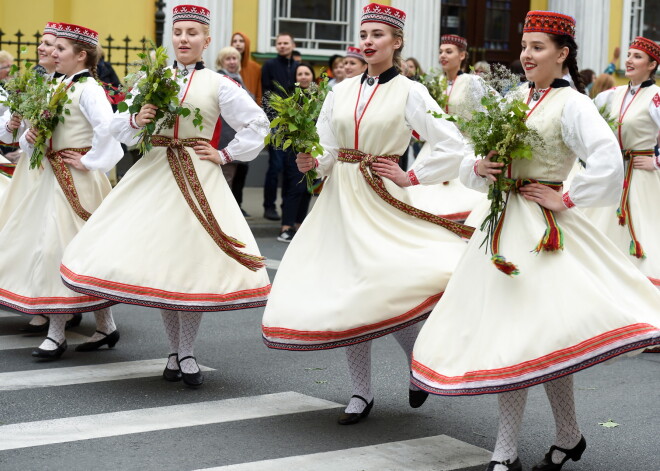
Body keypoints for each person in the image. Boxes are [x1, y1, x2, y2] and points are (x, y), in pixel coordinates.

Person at [411, 11, 660, 471]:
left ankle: (506, 452)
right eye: (524, 46)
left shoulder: (575, 105)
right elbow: (472, 154)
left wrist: (564, 195)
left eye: (538, 47)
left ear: (562, 54)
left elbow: (607, 162)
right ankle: (568, 435)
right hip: (499, 223)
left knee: (526, 336)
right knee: (534, 338)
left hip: (540, 230)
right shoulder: (515, 97)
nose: (526, 54)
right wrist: (479, 168)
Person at [262, 3, 470, 424]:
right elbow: (327, 143)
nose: (370, 41)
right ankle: (361, 393)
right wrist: (313, 161)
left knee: (386, 287)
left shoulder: (410, 91)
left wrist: (411, 175)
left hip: (382, 198)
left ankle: (416, 364)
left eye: (379, 35)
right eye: (366, 34)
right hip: (340, 199)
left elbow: (451, 144)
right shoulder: (341, 89)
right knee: (348, 292)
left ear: (396, 42)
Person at [60, 5, 270, 388]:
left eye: (193, 32)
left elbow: (258, 123)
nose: (184, 39)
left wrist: (224, 154)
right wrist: (136, 120)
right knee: (164, 266)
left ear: (207, 40)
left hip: (196, 176)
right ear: (171, 38)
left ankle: (185, 351)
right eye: (178, 32)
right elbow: (116, 126)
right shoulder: (151, 80)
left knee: (187, 266)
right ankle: (175, 351)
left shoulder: (220, 84)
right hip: (155, 173)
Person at [0, 22, 123, 360]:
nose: (52, 53)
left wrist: (89, 159)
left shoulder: (89, 89)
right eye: (53, 48)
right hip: (48, 178)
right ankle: (106, 325)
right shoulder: (57, 85)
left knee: (65, 251)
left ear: (81, 55)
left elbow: (108, 130)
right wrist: (28, 138)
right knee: (60, 250)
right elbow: (30, 135)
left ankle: (57, 334)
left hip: (75, 183)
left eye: (61, 49)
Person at [586, 37, 660, 289]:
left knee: (642, 228)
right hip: (616, 172)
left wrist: (657, 161)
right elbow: (586, 120)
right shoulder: (612, 95)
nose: (629, 60)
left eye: (637, 56)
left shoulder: (656, 96)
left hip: (642, 176)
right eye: (628, 55)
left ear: (652, 64)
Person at [407, 34, 487, 221]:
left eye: (449, 52)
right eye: (441, 52)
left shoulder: (472, 82)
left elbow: (484, 113)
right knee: (423, 198)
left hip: (465, 144)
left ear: (462, 55)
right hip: (436, 145)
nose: (443, 55)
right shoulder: (436, 84)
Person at [276, 62, 315, 243]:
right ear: (295, 77)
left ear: (312, 76)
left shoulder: (319, 97)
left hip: (314, 149)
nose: (304, 77)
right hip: (294, 151)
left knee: (307, 188)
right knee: (294, 187)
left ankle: (299, 224)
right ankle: (286, 227)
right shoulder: (289, 98)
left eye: (307, 73)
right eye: (300, 74)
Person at [262, 32, 299, 221]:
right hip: (275, 122)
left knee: (289, 166)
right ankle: (269, 206)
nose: (283, 46)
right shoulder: (269, 65)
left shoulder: (298, 66)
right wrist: (270, 122)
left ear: (292, 45)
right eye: (279, 43)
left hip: (293, 124)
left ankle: (286, 205)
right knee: (275, 166)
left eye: (286, 43)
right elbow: (266, 94)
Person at [216, 46, 254, 195]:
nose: (232, 62)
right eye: (228, 58)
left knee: (232, 181)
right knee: (225, 182)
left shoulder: (237, 77)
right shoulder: (223, 79)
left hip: (235, 137)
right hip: (225, 138)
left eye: (235, 58)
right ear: (221, 61)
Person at [230, 31, 262, 106]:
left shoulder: (255, 67)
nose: (238, 44)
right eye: (234, 41)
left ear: (246, 44)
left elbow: (258, 92)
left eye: (241, 41)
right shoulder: (226, 66)